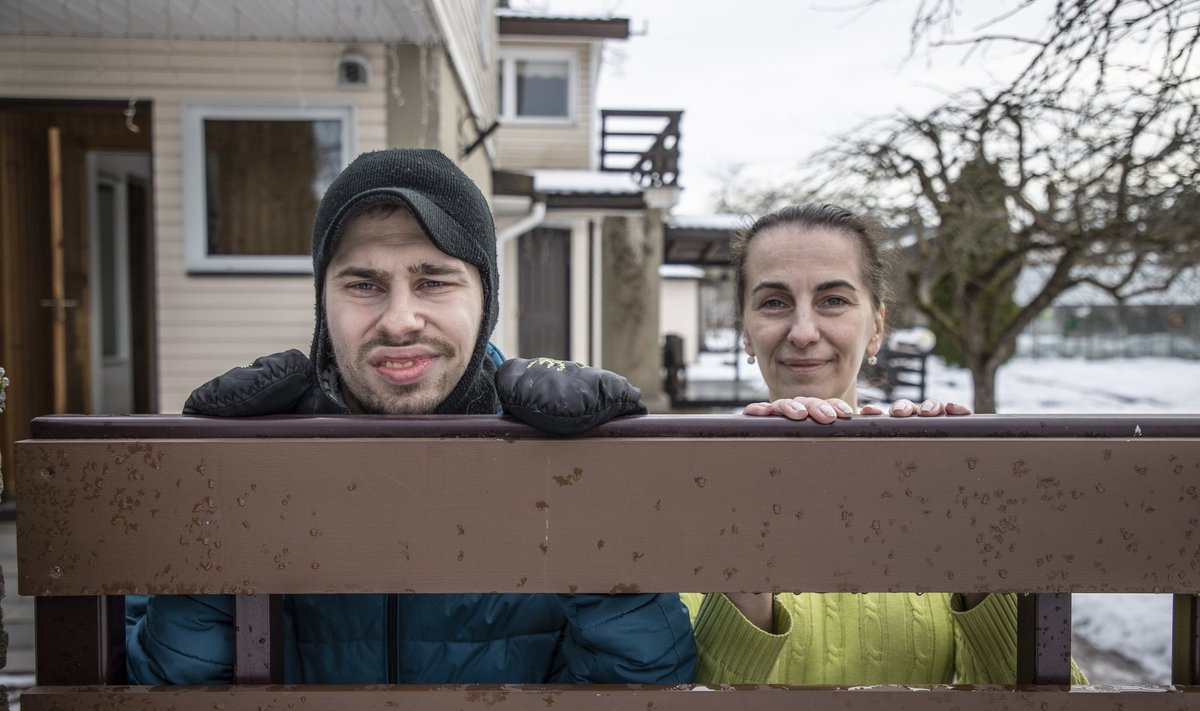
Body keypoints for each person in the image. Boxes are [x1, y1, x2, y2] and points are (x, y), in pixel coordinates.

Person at [126, 148, 696, 684]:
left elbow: (637, 689)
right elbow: (165, 687)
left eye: (432, 282)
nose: (400, 320)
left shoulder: (556, 460)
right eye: (364, 284)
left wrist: (593, 491)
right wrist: (215, 501)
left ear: (485, 300)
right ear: (324, 304)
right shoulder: (252, 462)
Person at [681, 203, 1084, 685]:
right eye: (773, 302)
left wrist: (965, 515)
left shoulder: (930, 482)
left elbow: (1042, 694)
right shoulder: (689, 488)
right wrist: (749, 510)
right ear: (745, 333)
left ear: (877, 328)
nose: (804, 332)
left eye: (833, 301)